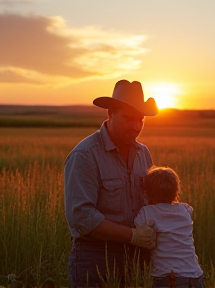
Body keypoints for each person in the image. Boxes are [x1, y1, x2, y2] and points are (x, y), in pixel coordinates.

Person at [64, 80, 158, 288]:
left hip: (138, 257)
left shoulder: (143, 153)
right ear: (111, 113)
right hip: (96, 257)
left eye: (140, 120)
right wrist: (133, 236)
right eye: (128, 118)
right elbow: (81, 217)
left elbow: (151, 202)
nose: (136, 126)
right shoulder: (85, 155)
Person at [134, 166, 205, 288]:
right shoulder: (185, 209)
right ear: (176, 191)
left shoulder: (147, 212)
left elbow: (137, 227)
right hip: (195, 274)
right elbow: (190, 210)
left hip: (169, 277)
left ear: (147, 191)